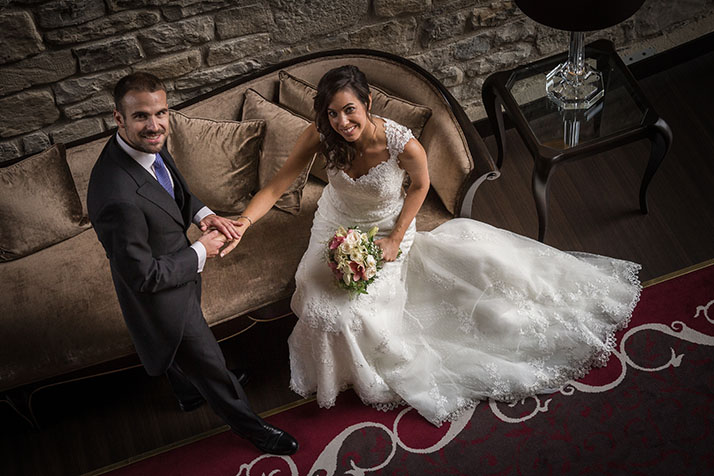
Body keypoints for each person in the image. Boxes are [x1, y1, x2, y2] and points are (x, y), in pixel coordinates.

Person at [226, 65, 641, 426]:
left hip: (386, 227)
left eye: (349, 109)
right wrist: (243, 222)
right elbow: (277, 185)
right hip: (334, 224)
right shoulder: (321, 135)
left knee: (355, 310)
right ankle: (341, 373)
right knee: (316, 295)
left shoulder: (401, 144)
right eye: (332, 113)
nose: (341, 121)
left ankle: (368, 367)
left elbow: (420, 186)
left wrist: (394, 238)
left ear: (367, 103)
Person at [86, 72, 298, 454]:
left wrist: (204, 215)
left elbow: (173, 190)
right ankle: (255, 430)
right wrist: (202, 249)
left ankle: (188, 392)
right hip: (162, 295)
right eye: (141, 116)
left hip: (179, 270)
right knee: (213, 366)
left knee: (183, 355)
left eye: (161, 113)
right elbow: (143, 276)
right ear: (119, 118)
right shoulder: (115, 194)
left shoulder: (146, 145)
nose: (155, 125)